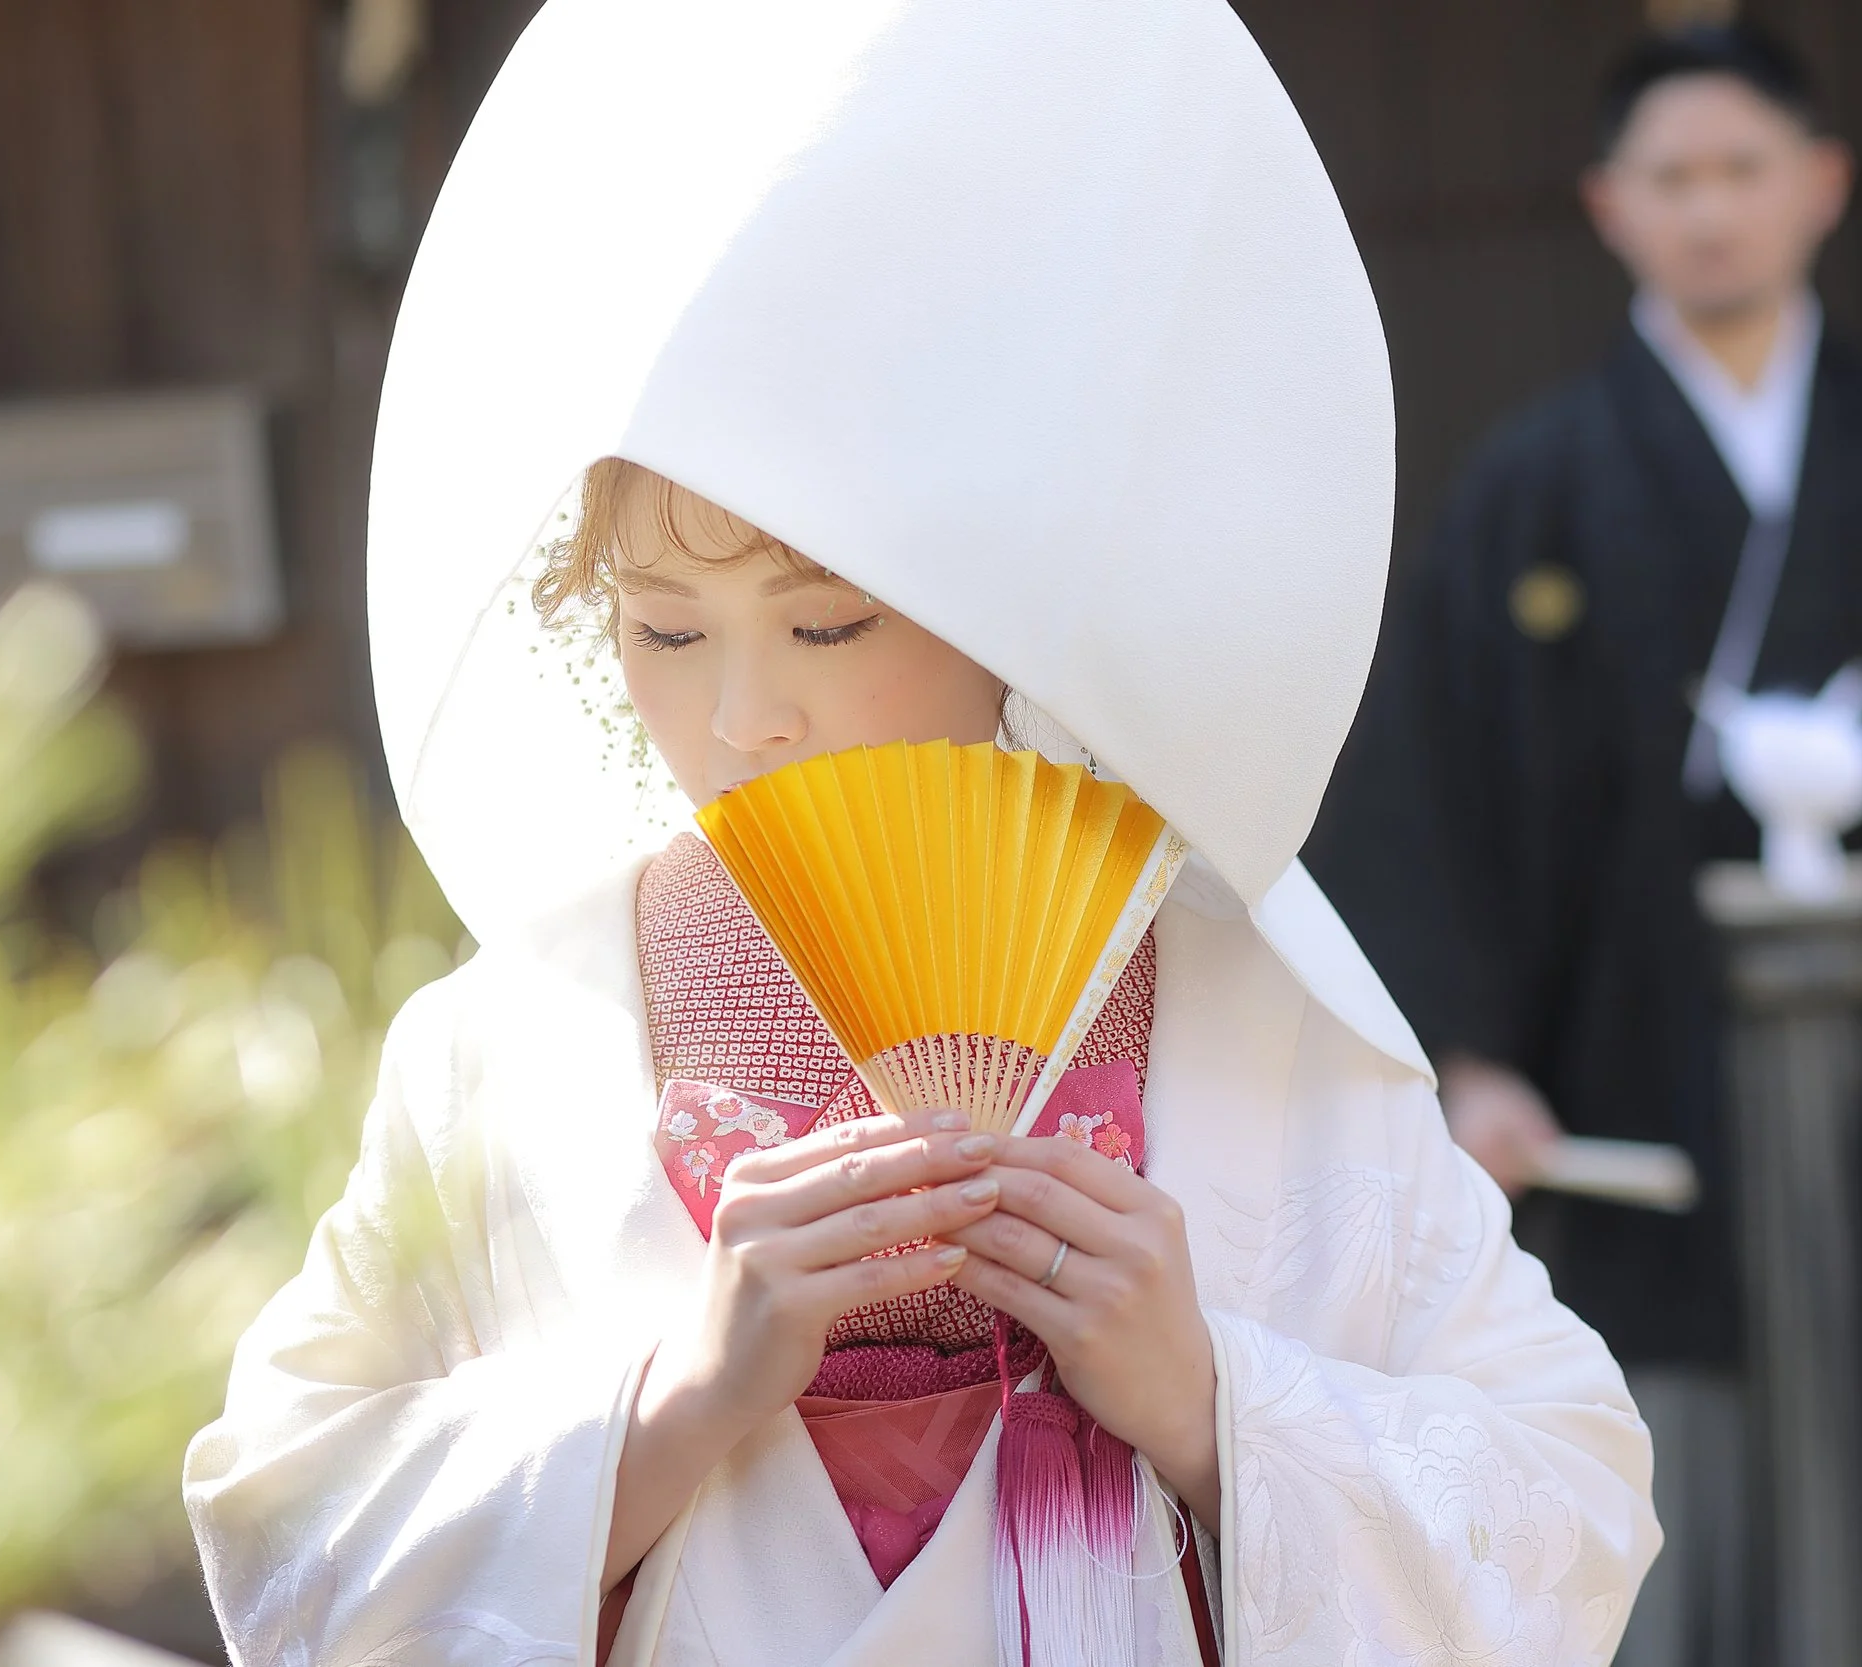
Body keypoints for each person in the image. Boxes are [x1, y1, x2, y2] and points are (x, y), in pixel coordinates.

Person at [182, 3, 1660, 1663]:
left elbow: (1573, 1495)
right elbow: (286, 1511)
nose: (745, 714)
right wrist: (671, 1404)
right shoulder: (515, 1043)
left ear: (1011, 611)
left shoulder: (1255, 1000)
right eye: (665, 629)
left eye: (823, 628)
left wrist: (1210, 1403)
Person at [1306, 21, 1862, 1667]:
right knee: (1672, 1438)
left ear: (1822, 186)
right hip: (1649, 1061)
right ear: (1608, 207)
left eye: (1742, 170)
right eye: (1672, 179)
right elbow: (1436, 796)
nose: (1710, 209)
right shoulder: (1535, 492)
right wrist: (1476, 1060)